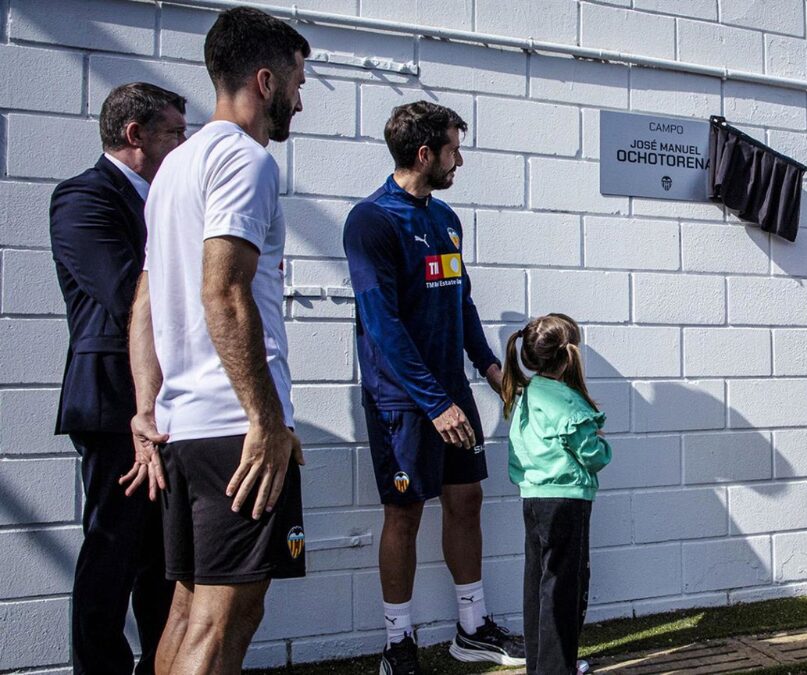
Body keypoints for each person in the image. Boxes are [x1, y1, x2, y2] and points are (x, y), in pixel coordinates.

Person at [123, 7, 310, 673]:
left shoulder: (174, 167)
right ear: (265, 81)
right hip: (234, 431)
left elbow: (145, 303)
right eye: (297, 83)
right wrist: (265, 419)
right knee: (222, 620)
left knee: (187, 610)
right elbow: (224, 292)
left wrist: (147, 411)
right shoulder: (245, 160)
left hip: (186, 428)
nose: (300, 99)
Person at [342, 101, 525, 674]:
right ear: (425, 154)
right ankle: (398, 644)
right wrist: (435, 402)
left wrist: (490, 368)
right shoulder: (371, 221)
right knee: (404, 514)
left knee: (467, 500)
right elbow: (382, 324)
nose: (459, 161)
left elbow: (460, 301)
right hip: (402, 400)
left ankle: (472, 629)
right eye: (453, 150)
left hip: (450, 393)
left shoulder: (445, 217)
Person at [50, 81, 186, 675]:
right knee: (112, 552)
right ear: (135, 135)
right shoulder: (84, 198)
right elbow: (130, 296)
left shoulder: (167, 202)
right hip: (112, 406)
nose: (182, 145)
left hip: (169, 403)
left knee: (162, 559)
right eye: (174, 133)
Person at [502, 314, 611, 675]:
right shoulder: (568, 401)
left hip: (533, 499)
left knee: (538, 583)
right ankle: (557, 669)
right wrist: (603, 449)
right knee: (564, 587)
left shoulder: (525, 394)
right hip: (567, 501)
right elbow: (592, 455)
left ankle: (543, 666)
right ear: (569, 355)